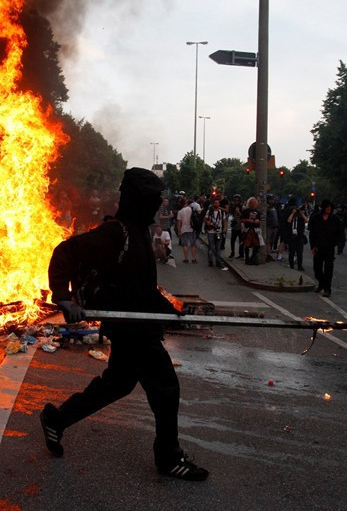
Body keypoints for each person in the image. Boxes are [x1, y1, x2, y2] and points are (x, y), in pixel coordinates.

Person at [41, 168, 208, 481]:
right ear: (138, 201)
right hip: (130, 329)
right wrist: (63, 298)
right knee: (166, 387)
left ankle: (56, 420)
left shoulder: (140, 232)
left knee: (117, 384)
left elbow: (141, 287)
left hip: (136, 324)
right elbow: (64, 252)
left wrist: (172, 310)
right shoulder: (116, 232)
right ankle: (168, 458)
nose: (158, 205)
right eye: (153, 199)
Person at [309, 199, 343, 297]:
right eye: (327, 207)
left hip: (329, 247)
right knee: (317, 269)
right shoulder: (316, 218)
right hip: (318, 247)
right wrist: (313, 246)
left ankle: (327, 288)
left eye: (330, 207)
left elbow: (339, 233)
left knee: (328, 269)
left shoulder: (335, 219)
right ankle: (321, 283)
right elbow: (312, 233)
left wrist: (335, 243)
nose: (329, 209)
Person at [204, 197, 228, 270]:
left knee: (218, 247)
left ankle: (218, 261)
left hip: (219, 231)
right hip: (211, 231)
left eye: (218, 203)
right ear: (213, 204)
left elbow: (224, 220)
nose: (216, 204)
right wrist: (207, 222)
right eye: (215, 203)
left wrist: (224, 228)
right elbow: (205, 218)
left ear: (219, 204)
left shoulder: (221, 212)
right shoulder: (210, 211)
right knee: (211, 246)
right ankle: (210, 260)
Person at [285, 198, 307, 270]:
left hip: (300, 236)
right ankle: (291, 265)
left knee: (299, 252)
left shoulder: (301, 216)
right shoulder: (292, 214)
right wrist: (292, 213)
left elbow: (306, 220)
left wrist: (302, 213)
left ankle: (300, 266)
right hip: (292, 236)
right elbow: (288, 221)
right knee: (291, 251)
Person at [241, 197, 263, 265]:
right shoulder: (245, 211)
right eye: (252, 202)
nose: (253, 204)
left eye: (254, 203)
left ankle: (252, 258)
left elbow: (260, 221)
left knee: (257, 245)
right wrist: (247, 220)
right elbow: (241, 220)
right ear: (249, 203)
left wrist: (258, 221)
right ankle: (247, 259)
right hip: (248, 229)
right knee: (247, 245)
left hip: (256, 230)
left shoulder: (257, 212)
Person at [176, 198, 197, 264]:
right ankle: (193, 258)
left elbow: (179, 222)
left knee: (184, 244)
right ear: (186, 202)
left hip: (183, 229)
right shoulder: (190, 209)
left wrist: (179, 231)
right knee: (193, 244)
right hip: (191, 228)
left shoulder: (180, 212)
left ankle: (186, 258)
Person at [227, 194, 243, 259]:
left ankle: (241, 254)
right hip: (234, 226)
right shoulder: (233, 207)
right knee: (232, 240)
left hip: (241, 227)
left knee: (241, 241)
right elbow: (232, 215)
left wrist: (239, 212)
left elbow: (244, 216)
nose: (236, 202)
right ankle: (232, 252)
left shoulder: (242, 207)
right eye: (235, 200)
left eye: (237, 200)